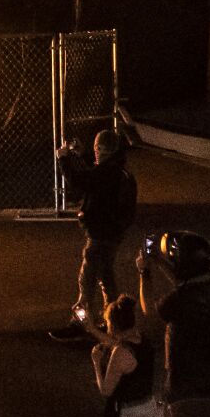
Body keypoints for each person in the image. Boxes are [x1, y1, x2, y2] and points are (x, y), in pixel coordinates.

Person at [138, 231, 210, 417]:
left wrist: (144, 272)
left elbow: (149, 310)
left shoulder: (179, 300)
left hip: (184, 378)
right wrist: (160, 263)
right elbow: (187, 280)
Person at [57, 127, 138, 332]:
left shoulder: (106, 173)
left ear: (107, 150)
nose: (95, 152)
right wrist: (81, 155)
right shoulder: (119, 171)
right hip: (113, 233)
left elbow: (80, 181)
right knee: (105, 275)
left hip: (101, 233)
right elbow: (94, 173)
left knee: (87, 278)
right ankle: (114, 319)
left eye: (98, 148)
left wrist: (64, 159)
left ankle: (80, 322)